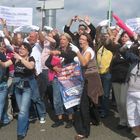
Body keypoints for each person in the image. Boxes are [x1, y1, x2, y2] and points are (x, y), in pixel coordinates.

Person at [70, 32, 103, 140]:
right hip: (87, 79)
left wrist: (77, 52)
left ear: (88, 41)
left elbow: (84, 63)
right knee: (91, 102)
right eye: (80, 39)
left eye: (83, 39)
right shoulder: (84, 51)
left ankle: (84, 132)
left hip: (91, 80)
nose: (80, 40)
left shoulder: (88, 51)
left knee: (84, 105)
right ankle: (96, 120)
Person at [0, 42, 35, 140]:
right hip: (18, 87)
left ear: (28, 51)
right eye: (20, 48)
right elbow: (4, 64)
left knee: (23, 111)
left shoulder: (30, 58)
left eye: (23, 49)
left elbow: (31, 66)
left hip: (27, 88)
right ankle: (25, 122)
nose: (21, 50)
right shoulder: (14, 58)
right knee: (22, 110)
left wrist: (20, 58)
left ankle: (21, 132)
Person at [45, 33, 77, 128]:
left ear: (68, 41)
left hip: (68, 79)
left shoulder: (71, 51)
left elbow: (71, 58)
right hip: (56, 78)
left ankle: (71, 119)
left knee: (68, 98)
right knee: (56, 99)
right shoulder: (56, 50)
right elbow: (47, 62)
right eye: (61, 39)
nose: (62, 41)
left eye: (64, 39)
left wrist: (59, 53)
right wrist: (54, 68)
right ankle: (59, 119)